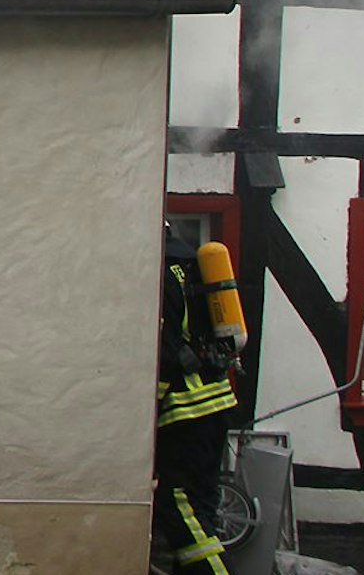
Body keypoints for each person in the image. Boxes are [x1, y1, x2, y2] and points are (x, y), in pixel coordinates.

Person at [152, 224, 240, 575]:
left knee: (177, 507)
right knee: (199, 509)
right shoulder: (193, 266)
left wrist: (147, 414)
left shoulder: (159, 277)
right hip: (215, 403)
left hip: (185, 412)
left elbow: (164, 357)